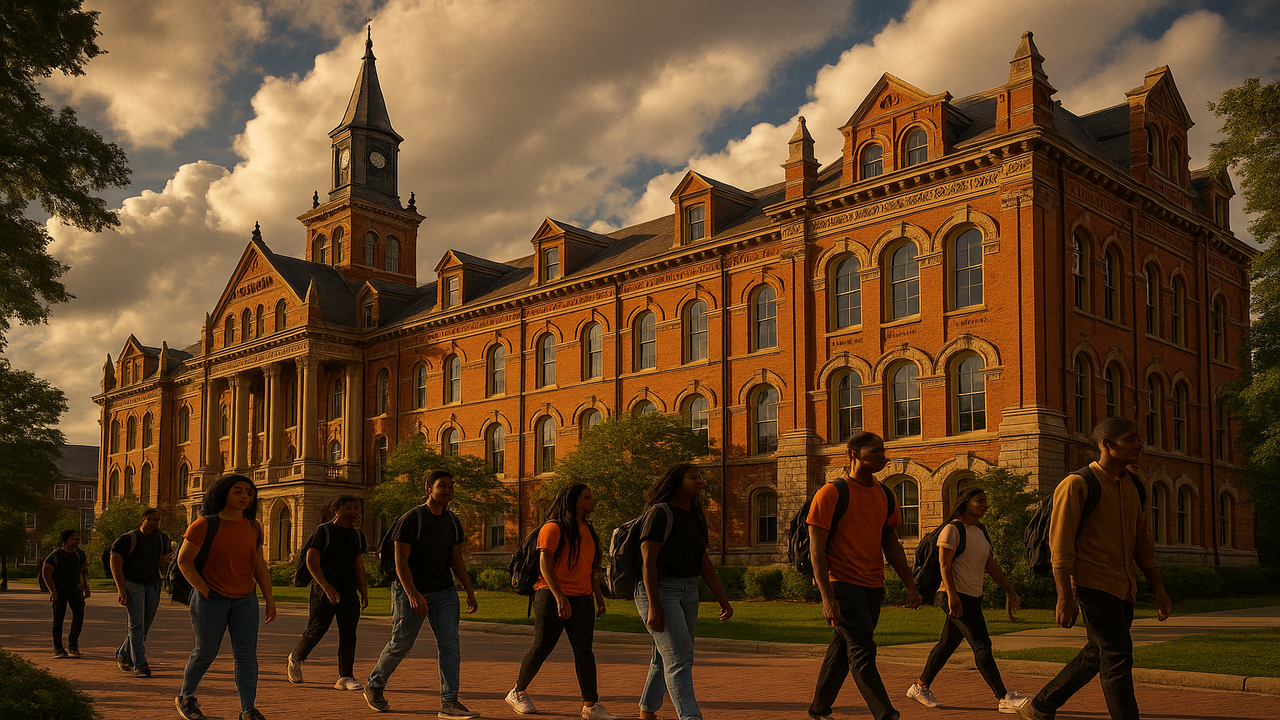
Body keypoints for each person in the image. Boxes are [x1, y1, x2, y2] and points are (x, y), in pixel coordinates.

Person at [1018, 417, 1172, 720]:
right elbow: (1059, 546)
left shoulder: (1135, 486)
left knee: (1096, 652)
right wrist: (1065, 596)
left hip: (1123, 585)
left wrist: (1159, 588)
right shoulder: (1077, 484)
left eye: (1139, 438)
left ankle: (1041, 706)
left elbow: (1142, 543)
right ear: (1107, 444)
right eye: (1131, 439)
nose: (1139, 444)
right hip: (1091, 584)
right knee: (1117, 656)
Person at [808, 431, 922, 720]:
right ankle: (887, 715)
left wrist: (911, 585)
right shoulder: (832, 492)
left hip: (873, 585)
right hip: (842, 584)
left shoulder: (885, 494)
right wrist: (827, 597)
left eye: (883, 451)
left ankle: (819, 710)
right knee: (862, 651)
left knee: (841, 648)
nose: (882, 456)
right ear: (853, 453)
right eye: (875, 451)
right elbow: (817, 550)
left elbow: (891, 544)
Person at [364, 470, 479, 719]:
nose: (448, 490)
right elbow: (400, 561)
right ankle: (374, 684)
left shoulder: (452, 521)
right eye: (442, 486)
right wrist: (412, 593)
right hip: (411, 590)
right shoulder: (412, 519)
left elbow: (456, 560)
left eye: (451, 486)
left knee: (450, 644)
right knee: (401, 644)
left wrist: (469, 591)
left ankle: (449, 702)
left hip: (444, 591)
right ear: (428, 488)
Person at [905, 487, 1030, 713]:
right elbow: (944, 564)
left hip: (971, 596)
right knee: (982, 646)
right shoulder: (952, 529)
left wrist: (1010, 591)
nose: (984, 504)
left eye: (986, 500)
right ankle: (1003, 697)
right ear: (965, 502)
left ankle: (919, 686)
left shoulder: (980, 530)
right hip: (954, 595)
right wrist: (952, 597)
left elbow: (990, 564)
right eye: (980, 500)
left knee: (946, 645)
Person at [506, 483, 618, 720]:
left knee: (584, 650)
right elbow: (544, 564)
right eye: (587, 498)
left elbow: (589, 567)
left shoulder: (587, 528)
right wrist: (558, 597)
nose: (592, 501)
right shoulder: (552, 527)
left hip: (582, 598)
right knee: (542, 646)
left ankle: (590, 705)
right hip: (550, 594)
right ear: (573, 501)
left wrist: (598, 597)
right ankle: (517, 691)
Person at [633, 463, 734, 720]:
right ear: (676, 482)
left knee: (664, 655)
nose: (700, 481)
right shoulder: (659, 513)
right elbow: (648, 562)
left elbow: (703, 562)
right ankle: (691, 717)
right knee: (679, 658)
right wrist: (654, 605)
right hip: (660, 591)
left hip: (689, 590)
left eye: (700, 477)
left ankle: (647, 709)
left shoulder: (694, 515)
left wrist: (723, 600)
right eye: (693, 477)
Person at [174, 473, 277, 720]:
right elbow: (184, 561)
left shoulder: (254, 527)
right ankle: (186, 697)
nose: (245, 497)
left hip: (246, 600)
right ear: (224, 493)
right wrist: (205, 589)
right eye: (238, 491)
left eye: (249, 493)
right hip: (211, 600)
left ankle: (248, 710)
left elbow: (259, 565)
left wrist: (269, 599)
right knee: (205, 652)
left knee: (246, 655)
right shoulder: (204, 524)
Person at [287, 495, 370, 691]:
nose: (354, 512)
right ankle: (296, 658)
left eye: (356, 508)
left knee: (349, 633)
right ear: (337, 510)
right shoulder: (323, 531)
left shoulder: (357, 535)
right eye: (349, 508)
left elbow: (359, 565)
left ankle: (345, 677)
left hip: (348, 589)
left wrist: (364, 592)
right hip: (323, 589)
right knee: (317, 629)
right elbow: (312, 559)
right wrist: (325, 585)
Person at [111, 507, 172, 678]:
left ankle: (123, 653)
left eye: (157, 520)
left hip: (153, 584)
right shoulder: (128, 539)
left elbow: (162, 561)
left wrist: (167, 580)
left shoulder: (161, 537)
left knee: (144, 627)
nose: (154, 523)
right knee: (136, 625)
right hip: (133, 584)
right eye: (151, 519)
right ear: (143, 519)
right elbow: (115, 563)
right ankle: (140, 664)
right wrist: (121, 589)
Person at [43, 528, 90, 659]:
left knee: (78, 617)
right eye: (74, 539)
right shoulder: (56, 555)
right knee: (58, 620)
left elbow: (83, 570)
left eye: (78, 539)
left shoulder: (79, 554)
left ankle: (73, 645)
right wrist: (53, 592)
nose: (77, 542)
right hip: (60, 592)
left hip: (75, 591)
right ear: (66, 540)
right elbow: (46, 573)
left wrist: (85, 586)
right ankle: (58, 648)